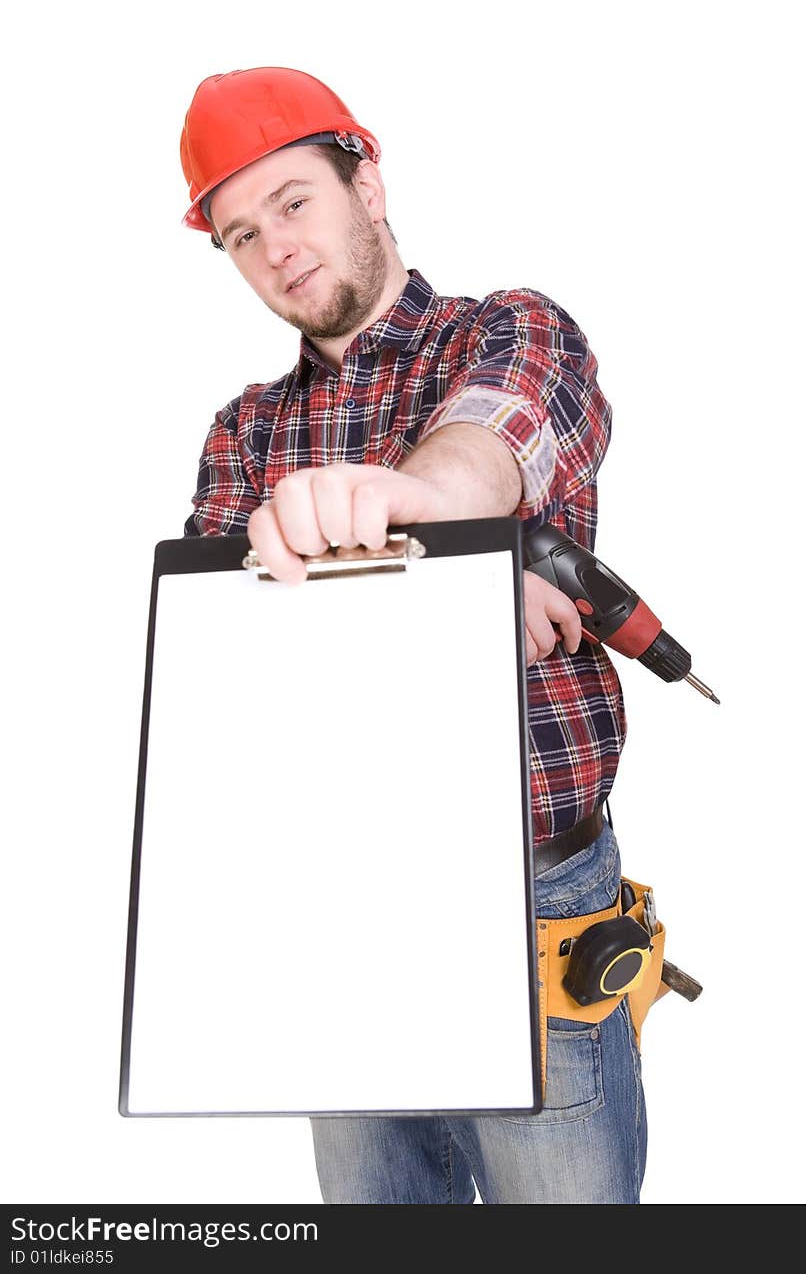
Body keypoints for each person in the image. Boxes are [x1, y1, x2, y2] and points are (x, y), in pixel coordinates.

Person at [179, 67, 644, 1203]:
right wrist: (453, 590)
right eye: (242, 234)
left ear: (366, 182)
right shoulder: (245, 434)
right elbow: (226, 679)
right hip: (337, 910)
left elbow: (491, 437)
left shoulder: (512, 330)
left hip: (534, 902)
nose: (274, 248)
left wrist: (417, 510)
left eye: (293, 202)